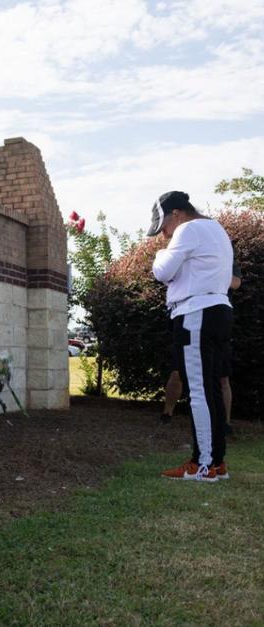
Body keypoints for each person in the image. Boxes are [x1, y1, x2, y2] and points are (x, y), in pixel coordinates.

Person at [148, 191, 233, 482]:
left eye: (163, 228)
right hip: (218, 310)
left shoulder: (188, 229)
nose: (164, 235)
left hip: (196, 313)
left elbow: (162, 271)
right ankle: (216, 462)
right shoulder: (216, 230)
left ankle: (203, 465)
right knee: (210, 389)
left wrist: (161, 255)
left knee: (198, 390)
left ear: (176, 214)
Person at [160, 267, 241, 433]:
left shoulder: (225, 258)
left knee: (221, 376)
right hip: (187, 320)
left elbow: (236, 283)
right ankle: (167, 414)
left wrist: (209, 276)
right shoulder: (188, 256)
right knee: (177, 372)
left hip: (216, 323)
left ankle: (225, 423)